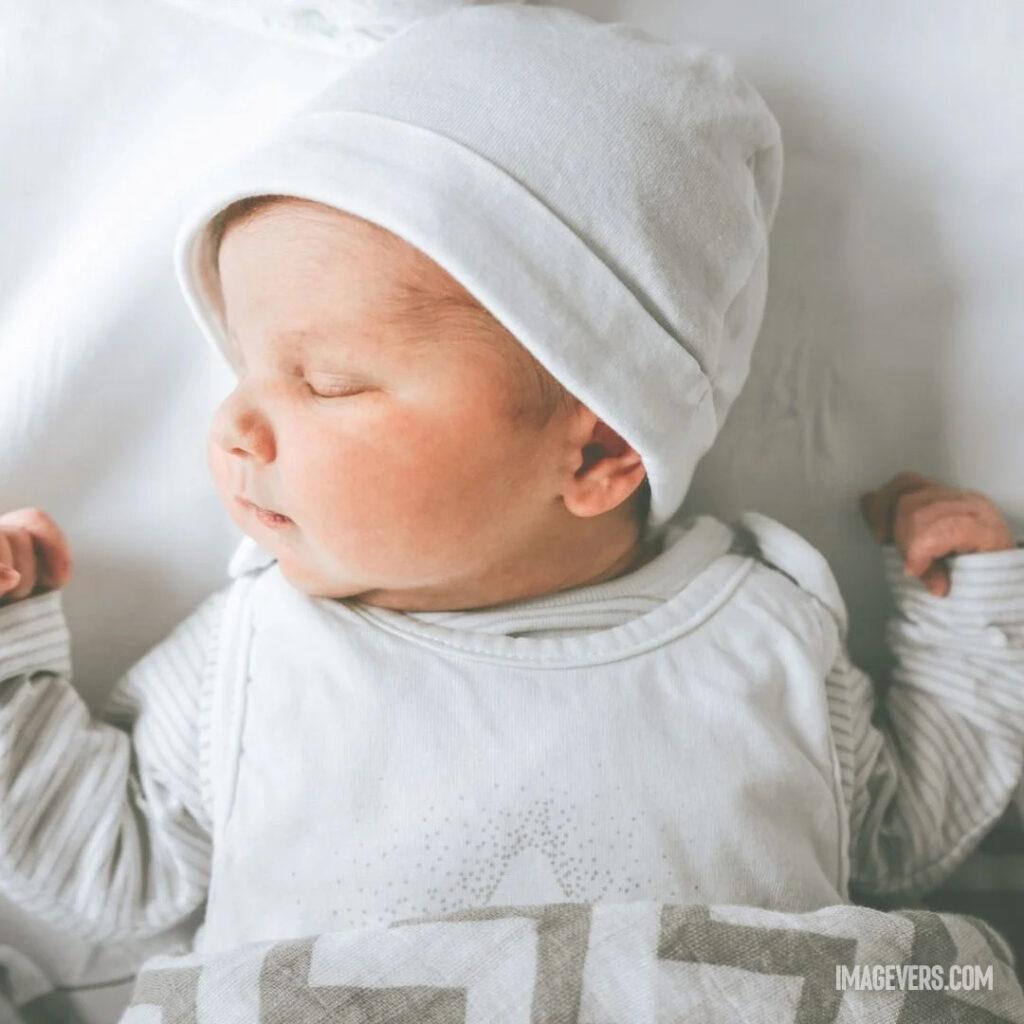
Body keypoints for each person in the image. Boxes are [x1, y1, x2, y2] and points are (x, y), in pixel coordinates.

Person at [0, 3, 1021, 958]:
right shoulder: (258, 659)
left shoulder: (760, 634)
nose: (233, 426)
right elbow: (109, 859)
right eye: (242, 371)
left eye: (326, 382)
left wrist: (962, 611)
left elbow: (899, 839)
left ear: (593, 455)